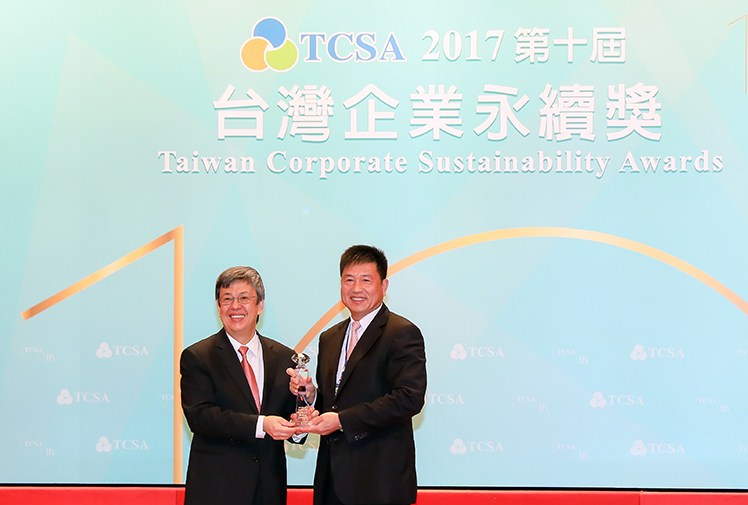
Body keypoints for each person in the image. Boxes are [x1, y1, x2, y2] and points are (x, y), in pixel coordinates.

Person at [289, 245, 427, 505]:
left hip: (379, 482)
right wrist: (311, 395)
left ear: (384, 286)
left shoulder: (401, 332)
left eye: (366, 280)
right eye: (349, 280)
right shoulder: (329, 338)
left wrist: (342, 421)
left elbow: (408, 399)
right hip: (331, 481)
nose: (356, 289)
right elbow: (335, 402)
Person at [181, 266, 298, 505]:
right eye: (227, 299)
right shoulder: (198, 356)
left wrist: (304, 413)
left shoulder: (285, 357)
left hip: (269, 488)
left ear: (260, 305)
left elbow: (290, 413)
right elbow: (201, 417)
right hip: (217, 489)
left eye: (244, 298)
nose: (235, 306)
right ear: (218, 306)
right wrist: (262, 425)